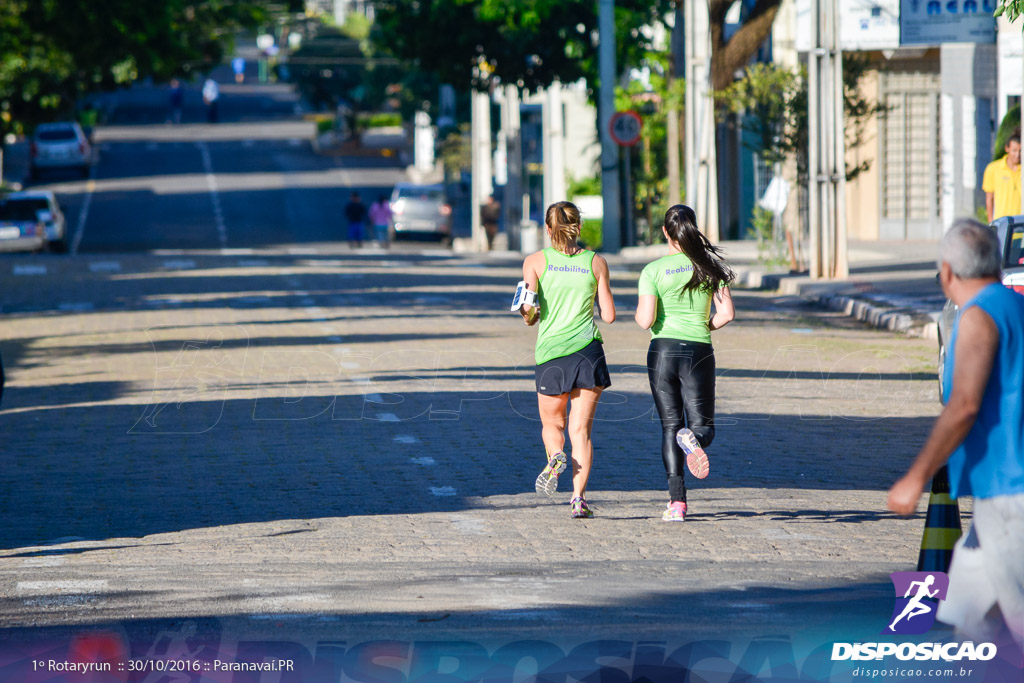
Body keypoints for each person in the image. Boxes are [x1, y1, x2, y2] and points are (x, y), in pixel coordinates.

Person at [888, 218, 1024, 652]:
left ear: (947, 272)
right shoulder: (1013, 306)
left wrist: (916, 476)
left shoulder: (978, 316)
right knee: (971, 626)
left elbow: (963, 405)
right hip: (994, 498)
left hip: (1010, 495)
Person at [635, 204, 735, 522]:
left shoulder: (653, 271)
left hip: (662, 351)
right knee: (703, 425)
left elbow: (645, 319)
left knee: (669, 426)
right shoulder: (710, 266)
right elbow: (727, 314)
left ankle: (677, 504)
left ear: (665, 232)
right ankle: (696, 439)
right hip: (699, 351)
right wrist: (703, 326)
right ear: (693, 227)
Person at [519, 201, 615, 518]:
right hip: (588, 352)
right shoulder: (596, 262)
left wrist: (529, 315)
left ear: (548, 230)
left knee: (552, 424)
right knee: (581, 432)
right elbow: (609, 316)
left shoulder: (534, 262)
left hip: (551, 355)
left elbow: (530, 314)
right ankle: (578, 499)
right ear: (579, 227)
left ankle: (556, 455)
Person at [983, 132, 1021, 222]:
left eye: (1020, 151)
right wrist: (991, 223)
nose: (1017, 155)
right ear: (1007, 148)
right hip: (1002, 223)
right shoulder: (993, 169)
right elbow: (989, 199)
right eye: (1014, 150)